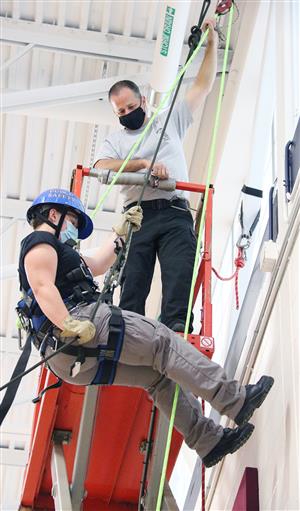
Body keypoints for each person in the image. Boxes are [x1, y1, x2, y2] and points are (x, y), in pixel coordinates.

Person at [17, 188, 274, 468]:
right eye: (73, 221)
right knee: (162, 340)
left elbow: (99, 264)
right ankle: (234, 399)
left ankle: (208, 441)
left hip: (72, 361)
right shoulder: (40, 242)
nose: (74, 228)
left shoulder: (64, 253)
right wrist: (68, 323)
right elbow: (43, 287)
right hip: (78, 326)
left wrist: (122, 233)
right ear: (53, 214)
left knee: (157, 377)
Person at [94, 19, 219, 333]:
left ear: (144, 101)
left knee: (180, 271)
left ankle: (176, 327)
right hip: (138, 217)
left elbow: (203, 85)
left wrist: (212, 44)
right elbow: (101, 167)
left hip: (175, 212)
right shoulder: (117, 141)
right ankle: (129, 334)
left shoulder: (169, 120)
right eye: (120, 112)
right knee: (133, 280)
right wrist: (141, 165)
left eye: (131, 107)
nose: (126, 114)